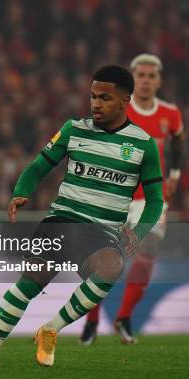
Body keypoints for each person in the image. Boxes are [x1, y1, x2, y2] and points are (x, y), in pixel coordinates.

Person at [0, 66, 163, 368]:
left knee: (111, 267)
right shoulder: (74, 129)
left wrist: (137, 232)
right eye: (92, 96)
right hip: (62, 220)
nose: (96, 104)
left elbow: (156, 201)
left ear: (124, 101)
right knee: (31, 282)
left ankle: (50, 329)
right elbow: (36, 167)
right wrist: (20, 192)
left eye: (104, 97)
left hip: (102, 232)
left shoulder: (143, 144)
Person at [80, 54, 185, 345]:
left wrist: (174, 172)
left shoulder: (170, 113)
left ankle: (124, 317)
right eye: (141, 75)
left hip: (151, 199)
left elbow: (178, 142)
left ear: (159, 81)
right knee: (103, 258)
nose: (147, 81)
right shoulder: (120, 110)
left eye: (152, 76)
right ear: (133, 79)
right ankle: (91, 320)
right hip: (116, 195)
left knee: (147, 251)